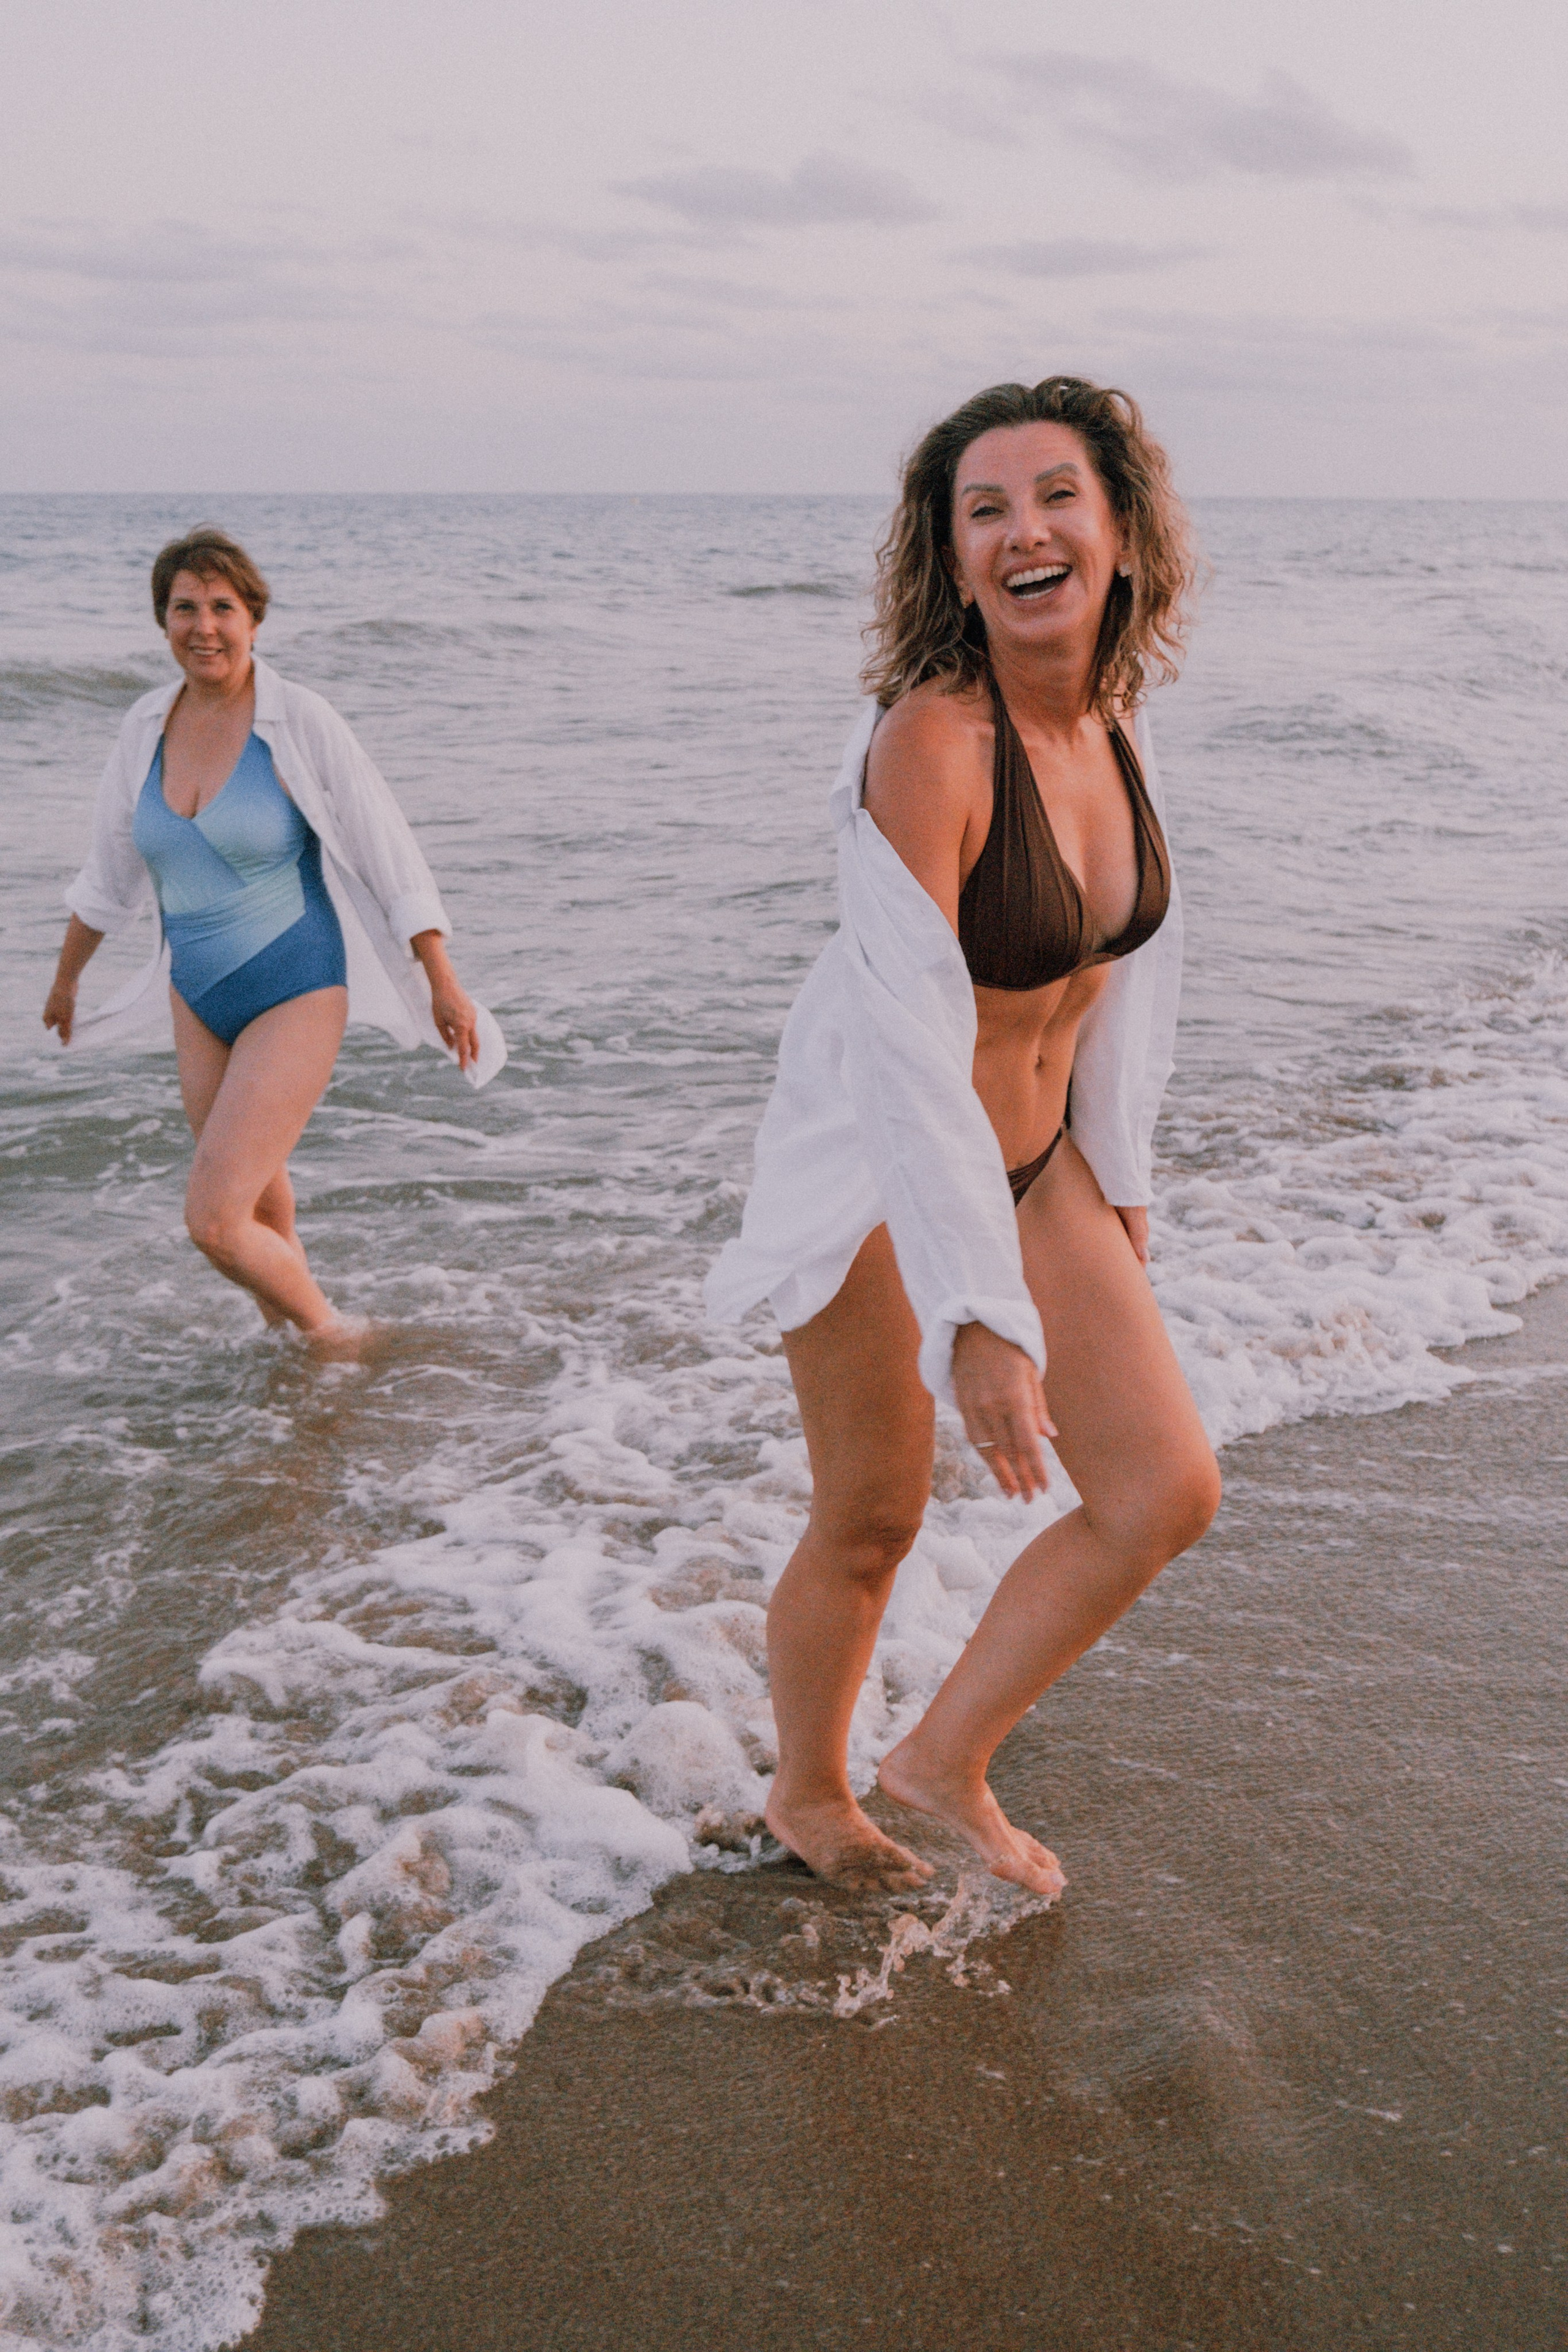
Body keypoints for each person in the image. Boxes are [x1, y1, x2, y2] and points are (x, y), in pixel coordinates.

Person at [706, 377, 1221, 1897]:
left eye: (1055, 496)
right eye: (982, 510)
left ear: (1120, 531)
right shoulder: (931, 743)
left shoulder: (1115, 723)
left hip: (1040, 1162)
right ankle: (807, 1792)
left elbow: (1121, 982)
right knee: (870, 1516)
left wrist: (1117, 1180)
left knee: (1161, 1491)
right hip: (882, 1168)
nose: (1022, 532)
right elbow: (904, 1044)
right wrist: (977, 1313)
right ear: (950, 558)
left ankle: (937, 1762)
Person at [43, 527, 505, 1345]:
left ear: (254, 618)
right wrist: (67, 978)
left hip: (295, 983)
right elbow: (109, 870)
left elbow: (386, 847)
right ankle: (294, 1367)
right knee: (259, 1210)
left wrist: (442, 978)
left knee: (214, 1221)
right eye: (185, 608)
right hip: (197, 995)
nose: (204, 627)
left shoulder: (299, 719)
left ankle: (340, 1339)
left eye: (223, 607)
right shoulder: (145, 726)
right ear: (162, 621)